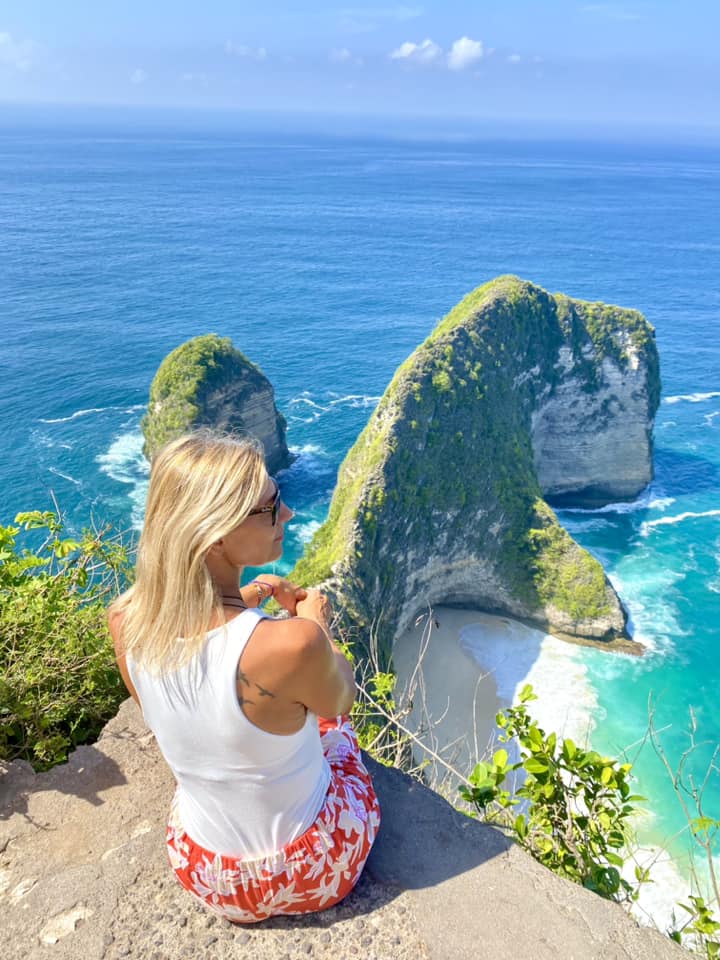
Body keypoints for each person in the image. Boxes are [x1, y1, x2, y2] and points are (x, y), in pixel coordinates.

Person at [109, 431, 380, 923]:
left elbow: (202, 643)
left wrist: (253, 590)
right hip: (314, 869)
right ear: (215, 531)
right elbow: (342, 697)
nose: (289, 515)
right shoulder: (293, 643)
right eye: (272, 507)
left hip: (205, 870)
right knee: (332, 730)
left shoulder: (126, 620)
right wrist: (318, 619)